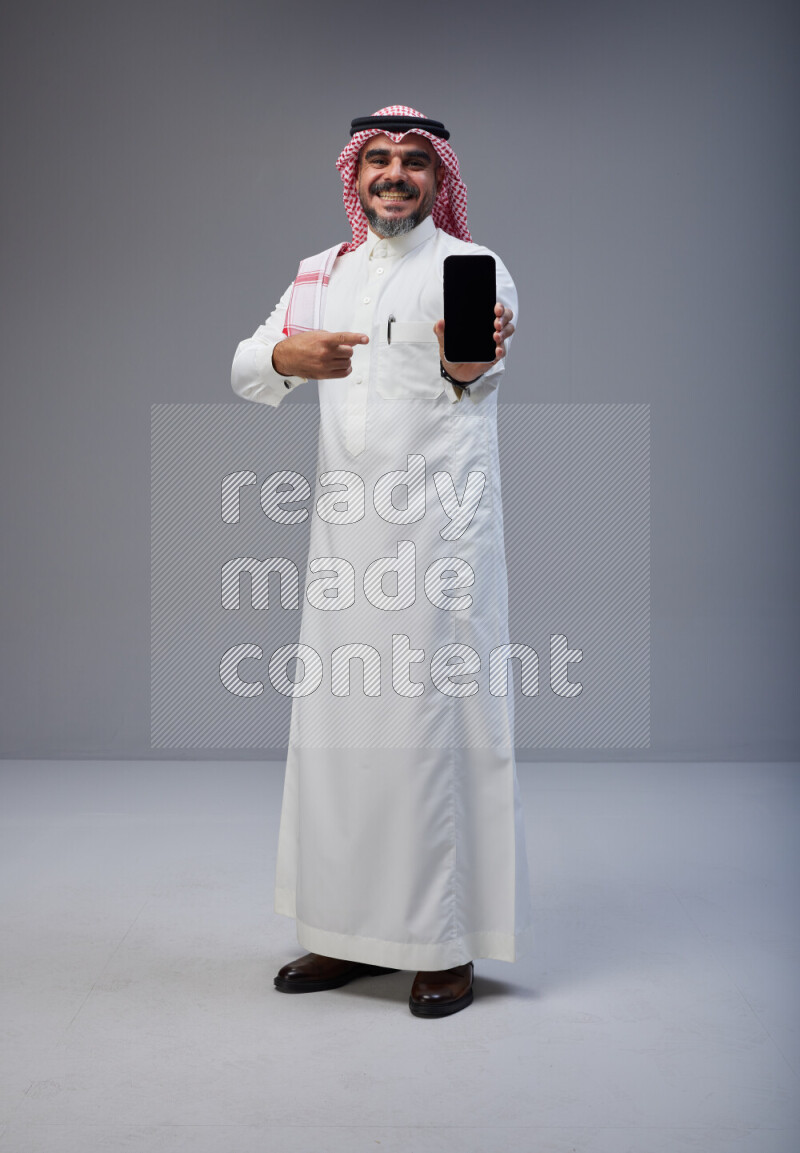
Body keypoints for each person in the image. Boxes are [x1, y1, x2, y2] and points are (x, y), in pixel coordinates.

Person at [231, 105, 534, 1018]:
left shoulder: (468, 269)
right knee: (337, 736)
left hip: (439, 542)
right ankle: (342, 931)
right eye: (379, 161)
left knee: (429, 735)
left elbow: (479, 374)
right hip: (343, 542)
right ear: (355, 177)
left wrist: (468, 365)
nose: (395, 174)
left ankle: (443, 945)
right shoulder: (320, 274)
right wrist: (288, 352)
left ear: (441, 181)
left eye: (414, 162)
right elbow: (250, 366)